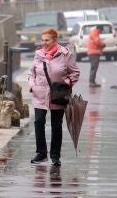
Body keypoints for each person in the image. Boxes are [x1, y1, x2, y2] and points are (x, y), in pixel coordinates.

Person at [28, 28, 80, 166]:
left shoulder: (65, 55)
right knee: (38, 122)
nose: (44, 43)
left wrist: (65, 85)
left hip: (58, 95)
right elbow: (32, 73)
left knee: (56, 125)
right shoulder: (38, 54)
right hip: (40, 94)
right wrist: (32, 86)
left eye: (47, 40)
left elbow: (75, 73)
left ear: (55, 40)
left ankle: (55, 156)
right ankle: (41, 153)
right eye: (42, 40)